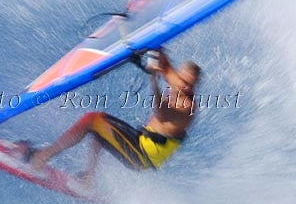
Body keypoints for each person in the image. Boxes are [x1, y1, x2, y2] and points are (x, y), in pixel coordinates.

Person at [16, 49, 200, 182]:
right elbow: (164, 60)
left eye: (191, 85)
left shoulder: (187, 108)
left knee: (92, 120)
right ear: (180, 74)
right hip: (141, 140)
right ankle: (88, 179)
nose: (185, 87)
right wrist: (149, 45)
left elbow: (161, 112)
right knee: (101, 125)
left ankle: (40, 159)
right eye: (183, 81)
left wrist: (152, 77)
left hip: (143, 156)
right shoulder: (177, 81)